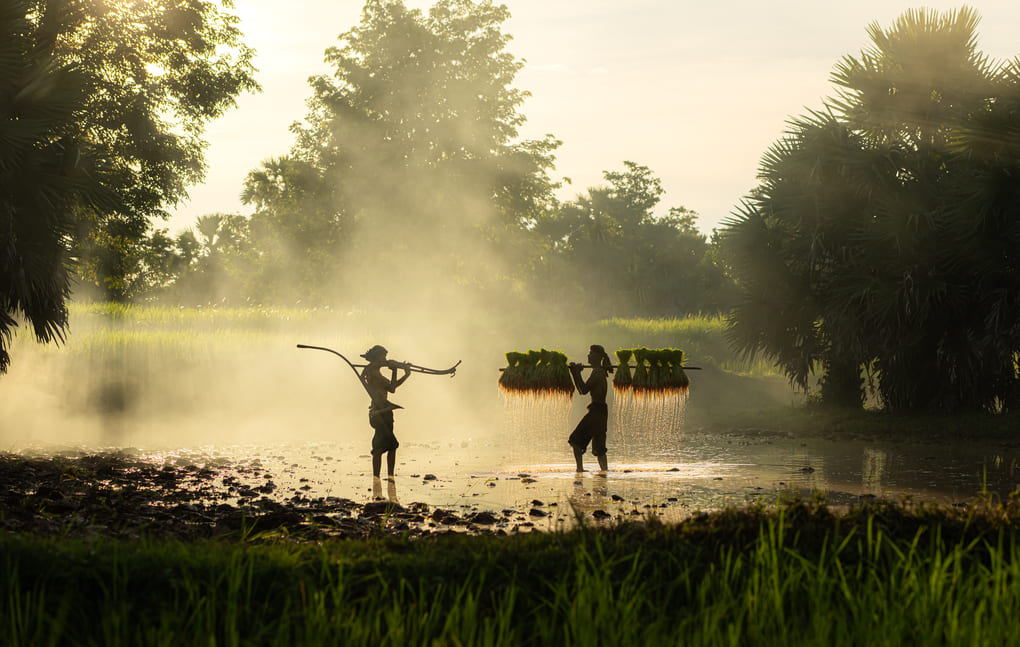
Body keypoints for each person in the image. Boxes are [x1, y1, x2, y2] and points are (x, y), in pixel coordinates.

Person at [360, 344, 410, 479]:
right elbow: (392, 388)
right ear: (377, 358)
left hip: (384, 411)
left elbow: (391, 387)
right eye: (383, 357)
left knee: (386, 445)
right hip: (380, 412)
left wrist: (405, 374)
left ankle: (386, 477)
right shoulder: (373, 373)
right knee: (387, 446)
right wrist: (394, 370)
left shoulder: (375, 371)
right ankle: (382, 477)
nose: (385, 360)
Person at [567, 344, 614, 472]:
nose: (588, 355)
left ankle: (580, 470)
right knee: (599, 449)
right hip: (601, 412)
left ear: (598, 357)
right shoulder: (599, 372)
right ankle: (605, 473)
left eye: (591, 353)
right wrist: (576, 374)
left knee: (575, 440)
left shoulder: (598, 372)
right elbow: (583, 390)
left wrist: (575, 373)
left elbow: (583, 390)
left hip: (596, 412)